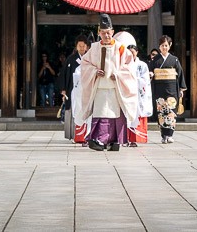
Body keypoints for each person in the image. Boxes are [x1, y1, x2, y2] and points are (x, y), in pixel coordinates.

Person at [77, 14, 138, 151]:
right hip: (99, 87)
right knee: (100, 113)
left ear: (113, 32)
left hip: (116, 88)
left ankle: (114, 141)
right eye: (103, 33)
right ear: (99, 33)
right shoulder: (94, 48)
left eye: (109, 33)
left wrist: (118, 75)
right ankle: (99, 139)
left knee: (114, 114)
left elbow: (129, 67)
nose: (106, 35)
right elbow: (85, 64)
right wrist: (94, 71)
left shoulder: (121, 48)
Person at [149, 34, 187, 144]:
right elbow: (151, 71)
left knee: (171, 111)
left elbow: (180, 74)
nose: (164, 47)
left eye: (166, 45)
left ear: (169, 46)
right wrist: (151, 74)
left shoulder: (174, 60)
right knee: (161, 112)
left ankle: (169, 135)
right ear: (159, 46)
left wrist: (181, 89)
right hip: (159, 89)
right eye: (162, 45)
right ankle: (163, 134)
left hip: (172, 89)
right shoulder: (155, 60)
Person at [58, 35, 88, 138]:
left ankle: (86, 135)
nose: (82, 48)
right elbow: (64, 74)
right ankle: (74, 135)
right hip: (73, 89)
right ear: (76, 46)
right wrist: (63, 89)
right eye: (79, 46)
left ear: (87, 47)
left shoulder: (90, 58)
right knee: (73, 110)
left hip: (87, 90)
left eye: (83, 46)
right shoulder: (71, 59)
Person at [125, 42, 152, 147]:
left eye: (133, 52)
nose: (131, 55)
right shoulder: (124, 64)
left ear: (137, 52)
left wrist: (133, 79)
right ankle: (126, 139)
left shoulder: (142, 65)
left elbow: (145, 80)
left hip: (138, 94)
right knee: (127, 116)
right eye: (129, 52)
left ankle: (136, 139)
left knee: (137, 115)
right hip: (128, 93)